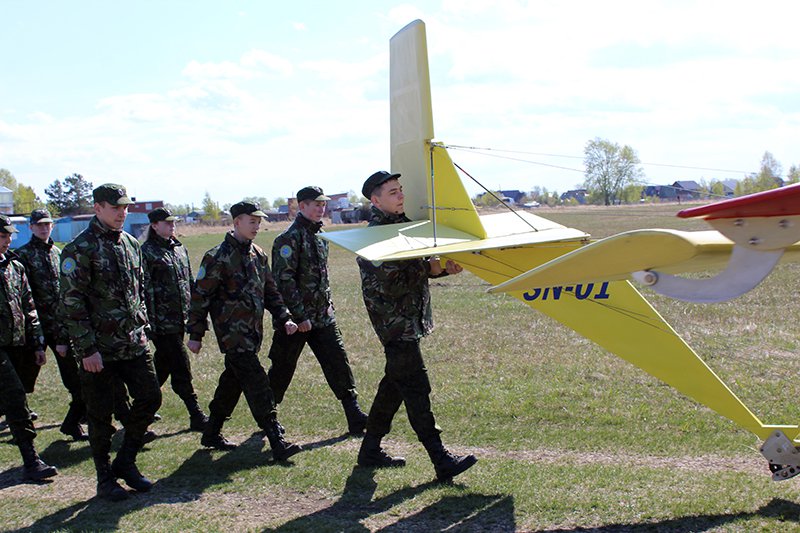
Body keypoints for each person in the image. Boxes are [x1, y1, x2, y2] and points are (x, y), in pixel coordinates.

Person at [355, 171, 477, 482]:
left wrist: (441, 269)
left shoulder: (401, 226)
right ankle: (441, 459)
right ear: (376, 200)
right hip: (395, 326)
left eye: (400, 189)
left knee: (393, 387)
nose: (400, 195)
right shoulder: (374, 236)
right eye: (393, 192)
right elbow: (393, 282)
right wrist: (429, 268)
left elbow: (414, 270)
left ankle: (369, 450)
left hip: (408, 321)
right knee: (416, 389)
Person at [60, 183, 162, 501]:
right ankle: (104, 479)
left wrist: (142, 327)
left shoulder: (132, 244)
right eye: (116, 207)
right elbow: (72, 303)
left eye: (125, 208)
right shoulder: (79, 249)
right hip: (99, 350)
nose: (122, 213)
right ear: (98, 207)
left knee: (151, 397)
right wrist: (87, 349)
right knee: (100, 416)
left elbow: (139, 290)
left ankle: (125, 462)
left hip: (132, 343)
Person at [186, 200, 302, 461]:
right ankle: (276, 439)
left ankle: (212, 430)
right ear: (236, 222)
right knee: (257, 383)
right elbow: (200, 296)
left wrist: (284, 317)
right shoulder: (217, 256)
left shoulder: (258, 255)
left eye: (259, 222)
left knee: (232, 380)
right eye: (252, 221)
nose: (257, 226)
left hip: (253, 333)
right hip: (232, 335)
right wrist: (195, 334)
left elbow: (270, 291)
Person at [268, 186, 368, 435]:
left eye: (322, 204)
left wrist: (327, 306)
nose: (320, 208)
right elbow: (284, 281)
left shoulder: (320, 235)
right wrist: (299, 316)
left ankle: (353, 413)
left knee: (338, 362)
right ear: (301, 206)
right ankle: (267, 417)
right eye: (315, 204)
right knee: (282, 368)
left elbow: (321, 278)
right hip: (297, 320)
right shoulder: (287, 240)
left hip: (322, 317)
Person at [16, 209, 88, 441]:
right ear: (31, 227)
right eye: (39, 225)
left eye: (47, 224)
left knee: (74, 378)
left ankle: (73, 421)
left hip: (61, 327)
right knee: (24, 376)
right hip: (35, 327)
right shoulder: (22, 255)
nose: (43, 228)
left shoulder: (59, 253)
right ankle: (16, 414)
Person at [0, 214, 58, 480]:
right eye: (2, 236)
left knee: (16, 394)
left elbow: (28, 306)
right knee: (16, 400)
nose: (7, 240)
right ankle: (31, 462)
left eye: (9, 235)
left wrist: (36, 343)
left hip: (17, 344)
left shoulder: (15, 266)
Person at [142, 207, 208, 432]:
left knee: (163, 365)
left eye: (173, 223)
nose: (172, 226)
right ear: (154, 225)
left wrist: (194, 314)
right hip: (161, 321)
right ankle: (195, 413)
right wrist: (148, 322)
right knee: (180, 364)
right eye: (167, 223)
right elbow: (143, 289)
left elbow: (189, 282)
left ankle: (143, 408)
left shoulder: (179, 249)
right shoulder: (146, 252)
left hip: (180, 319)